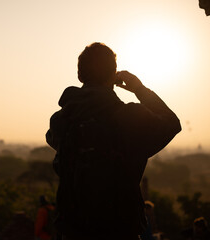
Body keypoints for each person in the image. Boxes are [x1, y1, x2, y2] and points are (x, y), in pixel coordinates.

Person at [46, 42, 181, 240]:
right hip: (120, 230)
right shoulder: (131, 118)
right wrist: (139, 89)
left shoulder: (61, 122)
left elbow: (52, 137)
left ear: (80, 75)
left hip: (73, 231)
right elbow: (171, 123)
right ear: (114, 75)